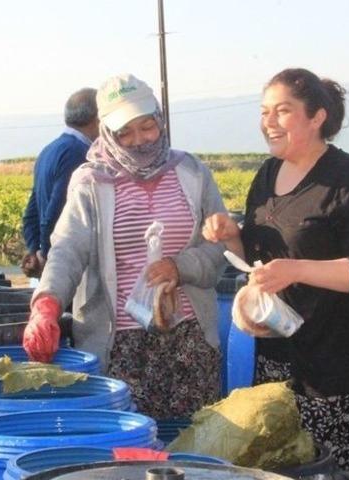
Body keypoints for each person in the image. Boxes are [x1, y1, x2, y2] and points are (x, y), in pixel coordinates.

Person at [202, 68, 349, 471]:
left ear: (317, 116)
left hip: (339, 370)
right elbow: (258, 258)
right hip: (277, 364)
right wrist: (231, 237)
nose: (268, 122)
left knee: (332, 471)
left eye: (282, 111)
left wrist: (296, 269)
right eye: (264, 111)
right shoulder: (267, 176)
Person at [22, 74, 227, 420]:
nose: (139, 141)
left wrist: (181, 267)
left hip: (189, 342)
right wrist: (47, 303)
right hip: (120, 347)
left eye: (147, 127)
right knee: (130, 454)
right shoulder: (92, 182)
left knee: (191, 451)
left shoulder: (192, 173)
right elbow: (67, 250)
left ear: (160, 120)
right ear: (106, 132)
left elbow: (220, 247)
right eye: (125, 133)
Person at [21, 88, 99, 278]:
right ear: (97, 118)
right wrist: (47, 257)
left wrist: (34, 248)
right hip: (67, 265)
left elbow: (31, 212)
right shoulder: (79, 154)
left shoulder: (49, 150)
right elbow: (56, 213)